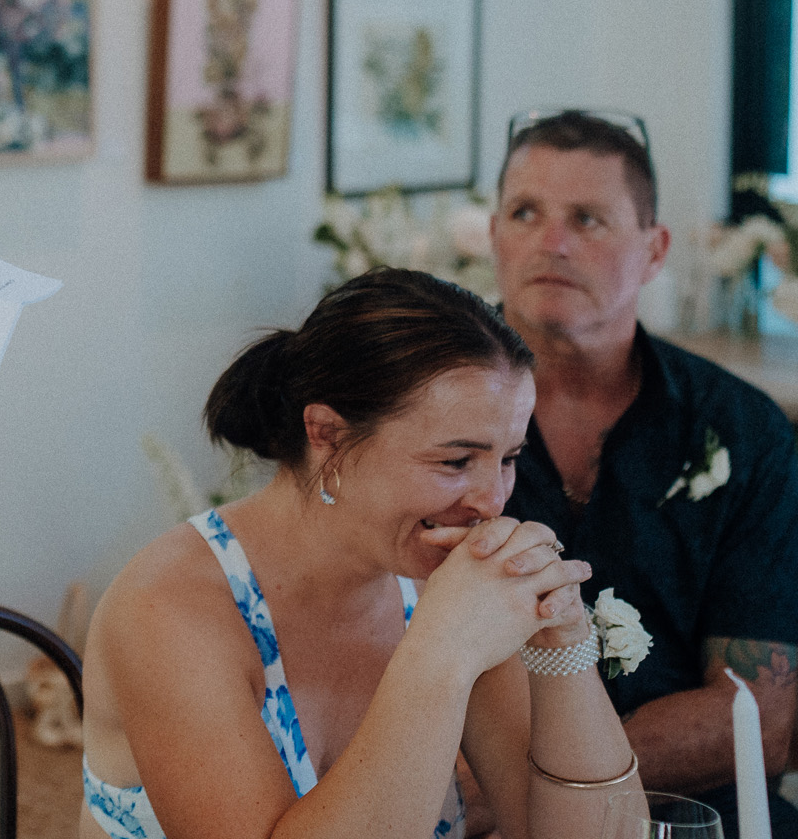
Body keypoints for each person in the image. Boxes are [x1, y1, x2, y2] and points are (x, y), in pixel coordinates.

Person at [79, 270, 641, 839]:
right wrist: (438, 656)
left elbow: (601, 835)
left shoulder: (444, 582)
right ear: (327, 434)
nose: (492, 501)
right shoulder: (166, 608)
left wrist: (563, 646)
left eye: (508, 458)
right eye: (455, 462)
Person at [493, 109, 798, 837]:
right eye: (525, 212)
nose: (552, 242)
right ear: (494, 232)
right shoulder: (423, 418)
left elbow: (760, 716)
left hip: (694, 814)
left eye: (589, 219)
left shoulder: (741, 430)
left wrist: (535, 784)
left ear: (655, 249)